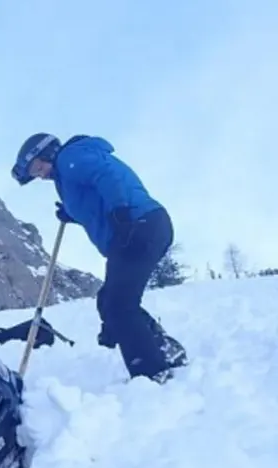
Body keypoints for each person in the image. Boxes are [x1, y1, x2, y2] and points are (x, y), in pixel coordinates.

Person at [11, 133, 188, 383]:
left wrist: (121, 212)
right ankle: (163, 348)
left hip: (138, 225)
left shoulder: (69, 157)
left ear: (47, 153)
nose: (39, 175)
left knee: (118, 306)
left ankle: (151, 372)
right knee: (109, 301)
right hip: (134, 231)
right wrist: (72, 214)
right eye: (34, 174)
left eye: (38, 168)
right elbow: (94, 204)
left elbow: (107, 175)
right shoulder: (66, 175)